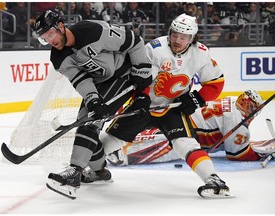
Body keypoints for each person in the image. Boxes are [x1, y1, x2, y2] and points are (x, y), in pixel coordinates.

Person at [101, 13, 233, 198]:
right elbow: (142, 79)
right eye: (175, 34)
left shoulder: (201, 53)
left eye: (184, 37)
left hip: (175, 108)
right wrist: (142, 99)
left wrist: (197, 99)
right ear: (170, 32)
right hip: (145, 105)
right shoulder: (155, 48)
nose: (177, 40)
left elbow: (215, 82)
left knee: (185, 144)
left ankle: (214, 180)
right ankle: (94, 170)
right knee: (109, 140)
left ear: (192, 39)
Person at [31, 10, 152, 199]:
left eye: (51, 34)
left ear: (61, 26)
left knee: (89, 122)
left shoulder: (92, 32)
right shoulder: (58, 58)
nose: (50, 40)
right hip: (100, 82)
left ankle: (74, 172)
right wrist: (92, 99)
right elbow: (81, 80)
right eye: (45, 38)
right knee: (85, 119)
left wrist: (142, 71)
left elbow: (134, 41)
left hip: (123, 74)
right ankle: (99, 171)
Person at [105, 90, 275, 165]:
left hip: (184, 117)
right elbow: (237, 155)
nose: (253, 113)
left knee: (156, 133)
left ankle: (118, 145)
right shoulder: (238, 123)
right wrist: (259, 154)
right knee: (166, 150)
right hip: (193, 132)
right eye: (253, 108)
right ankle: (123, 154)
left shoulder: (231, 100)